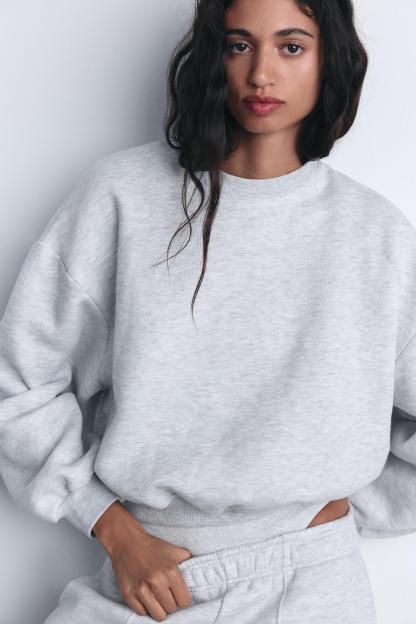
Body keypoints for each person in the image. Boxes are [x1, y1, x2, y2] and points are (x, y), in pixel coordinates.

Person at [0, 0, 414, 622]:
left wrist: (327, 513)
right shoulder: (122, 196)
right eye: (238, 45)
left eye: (292, 47)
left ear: (330, 60)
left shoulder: (375, 234)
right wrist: (110, 524)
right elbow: (20, 382)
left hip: (310, 586)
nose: (261, 74)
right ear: (212, 56)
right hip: (149, 578)